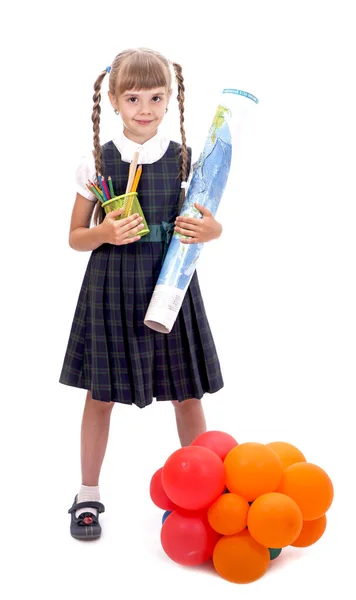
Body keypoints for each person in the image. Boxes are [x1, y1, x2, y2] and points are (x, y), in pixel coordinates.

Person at [59, 47, 224, 540]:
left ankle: (204, 495)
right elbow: (74, 237)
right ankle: (87, 495)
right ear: (113, 99)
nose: (145, 108)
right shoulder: (97, 162)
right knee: (99, 395)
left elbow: (208, 224)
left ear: (170, 98)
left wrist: (211, 231)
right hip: (111, 287)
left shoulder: (185, 160)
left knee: (187, 395)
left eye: (156, 97)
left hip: (170, 288)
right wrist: (104, 233)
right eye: (133, 98)